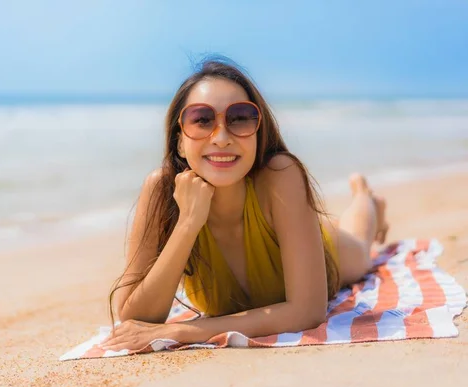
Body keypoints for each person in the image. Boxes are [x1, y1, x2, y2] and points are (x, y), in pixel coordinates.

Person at [100, 59, 389, 351]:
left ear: (258, 131)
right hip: (282, 225)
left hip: (326, 250)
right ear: (179, 142)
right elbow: (135, 319)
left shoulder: (280, 174)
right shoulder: (161, 189)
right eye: (202, 120)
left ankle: (365, 197)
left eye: (239, 118)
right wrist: (188, 222)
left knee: (360, 250)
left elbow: (307, 311)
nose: (222, 138)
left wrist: (181, 331)